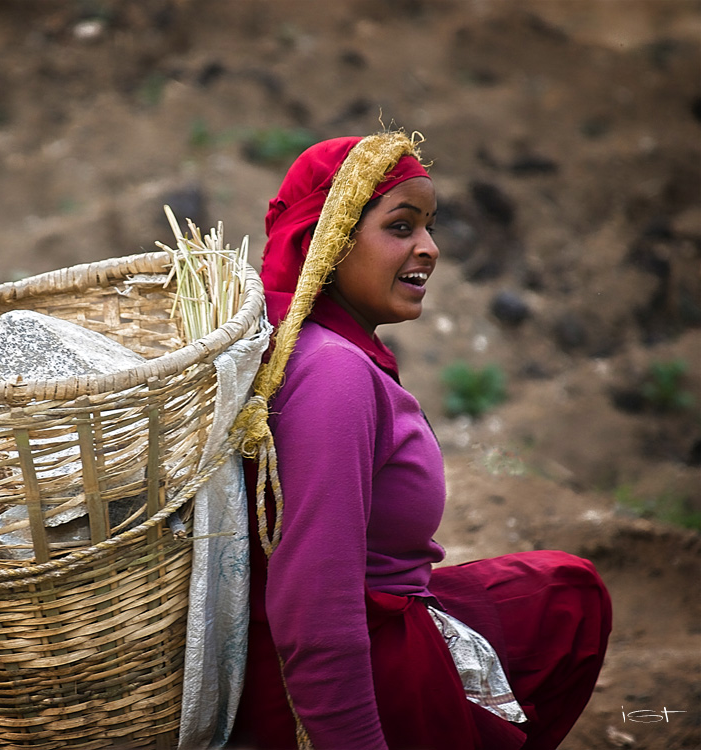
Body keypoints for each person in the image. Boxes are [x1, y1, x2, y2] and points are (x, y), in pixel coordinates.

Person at [227, 131, 611, 750]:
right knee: (569, 603)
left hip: (335, 650)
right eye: (401, 226)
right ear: (327, 239)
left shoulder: (305, 350)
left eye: (430, 226)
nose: (429, 248)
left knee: (563, 596)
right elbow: (316, 611)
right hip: (343, 684)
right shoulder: (333, 375)